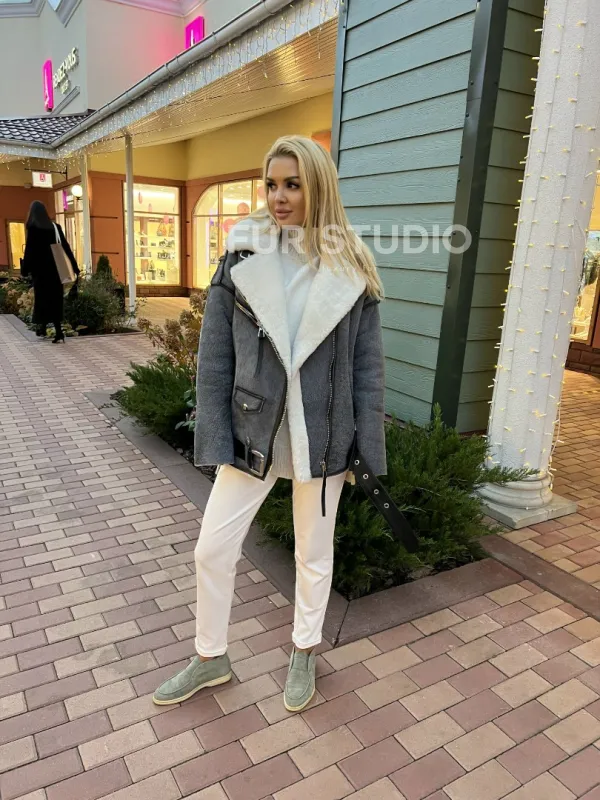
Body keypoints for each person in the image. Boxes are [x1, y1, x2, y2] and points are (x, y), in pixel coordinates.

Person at [153, 135, 386, 712]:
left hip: (323, 435)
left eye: (293, 184)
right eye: (272, 184)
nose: (279, 197)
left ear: (318, 187)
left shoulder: (352, 267)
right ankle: (211, 657)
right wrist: (214, 437)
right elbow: (214, 359)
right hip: (252, 430)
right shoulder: (241, 258)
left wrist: (368, 453)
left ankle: (304, 649)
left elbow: (367, 372)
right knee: (211, 549)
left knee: (314, 554)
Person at [21, 200, 79, 343]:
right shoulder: (55, 227)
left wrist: (25, 270)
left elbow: (30, 251)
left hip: (40, 271)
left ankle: (43, 327)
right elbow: (65, 247)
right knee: (55, 300)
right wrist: (74, 266)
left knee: (42, 300)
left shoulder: (33, 229)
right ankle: (57, 331)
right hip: (56, 270)